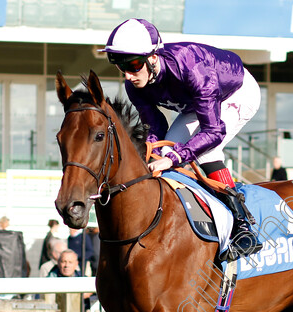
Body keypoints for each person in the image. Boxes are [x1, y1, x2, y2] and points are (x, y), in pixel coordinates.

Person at [101, 18, 262, 259]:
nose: (128, 75)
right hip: (195, 105)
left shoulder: (193, 67)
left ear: (153, 57)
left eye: (133, 65)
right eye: (120, 66)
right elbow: (155, 128)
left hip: (236, 92)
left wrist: (176, 156)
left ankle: (243, 227)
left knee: (205, 152)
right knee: (159, 155)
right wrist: (153, 152)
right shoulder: (134, 85)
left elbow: (214, 131)